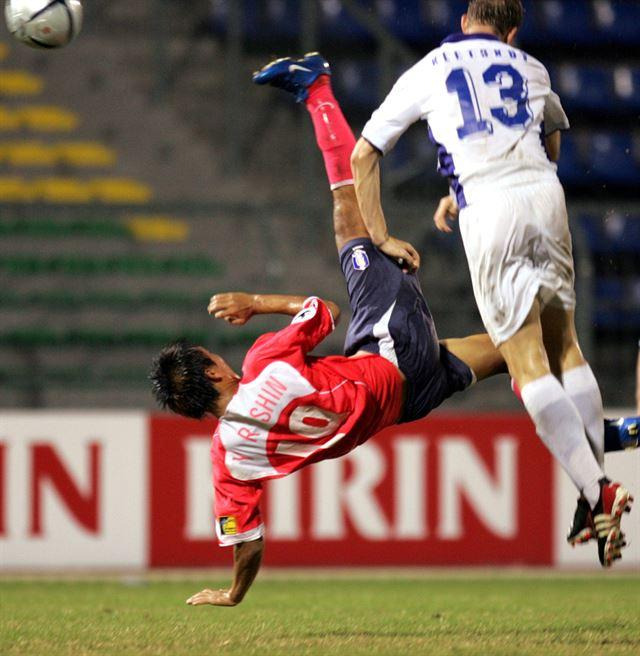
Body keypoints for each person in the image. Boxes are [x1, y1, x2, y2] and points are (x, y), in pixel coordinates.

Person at [348, 0, 633, 567]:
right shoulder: (531, 67)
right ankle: (591, 490)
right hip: (544, 198)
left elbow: (364, 155)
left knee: (524, 359)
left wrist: (378, 236)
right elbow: (548, 144)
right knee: (565, 347)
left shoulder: (432, 66)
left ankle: (597, 490)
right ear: (513, 30)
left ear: (463, 23)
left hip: (490, 208)